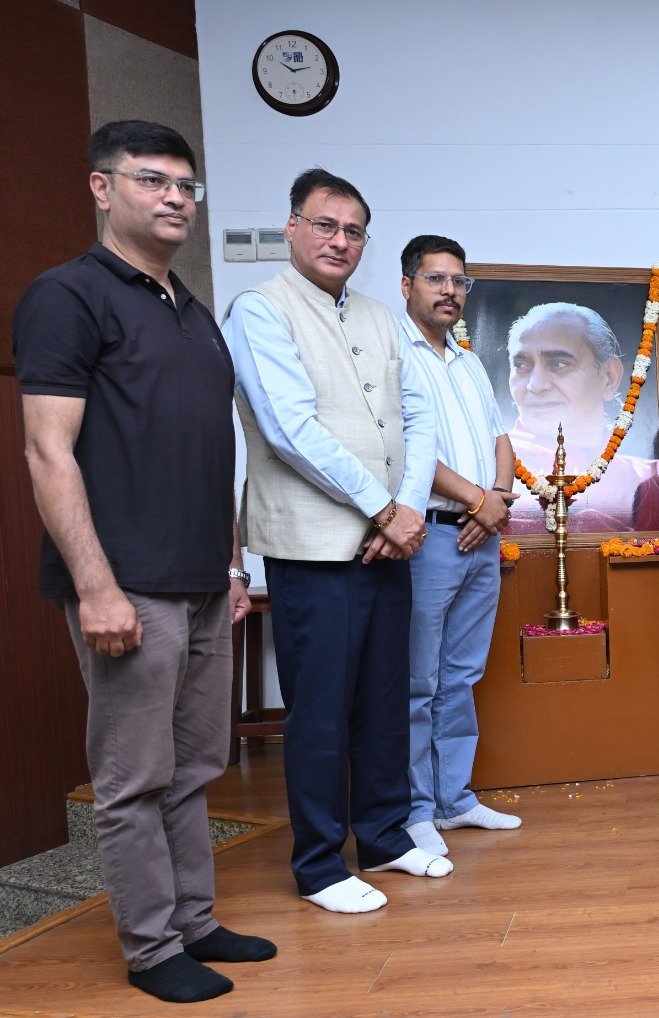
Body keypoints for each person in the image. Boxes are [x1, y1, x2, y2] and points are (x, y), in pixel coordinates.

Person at [14, 120, 275, 1003]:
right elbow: (47, 451)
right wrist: (95, 587)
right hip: (125, 583)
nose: (174, 198)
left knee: (196, 769)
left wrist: (231, 570)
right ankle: (152, 947)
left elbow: (211, 452)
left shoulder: (191, 311)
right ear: (102, 187)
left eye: (185, 186)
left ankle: (194, 921)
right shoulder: (66, 296)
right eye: (152, 180)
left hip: (202, 580)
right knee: (134, 780)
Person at [224, 168, 450, 915]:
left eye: (354, 231)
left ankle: (384, 836)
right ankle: (319, 864)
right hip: (313, 548)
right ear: (293, 228)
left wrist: (407, 509)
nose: (339, 241)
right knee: (321, 710)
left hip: (391, 540)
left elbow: (418, 418)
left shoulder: (382, 317)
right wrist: (384, 510)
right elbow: (290, 429)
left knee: (384, 699)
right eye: (325, 225)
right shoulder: (260, 310)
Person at [395, 235, 522, 859]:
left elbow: (501, 440)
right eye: (436, 279)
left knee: (462, 675)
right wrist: (477, 501)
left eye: (459, 281)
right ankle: (415, 810)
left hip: (479, 537)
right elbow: (406, 451)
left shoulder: (468, 362)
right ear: (407, 285)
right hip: (428, 537)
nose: (449, 291)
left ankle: (454, 799)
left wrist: (492, 502)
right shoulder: (394, 355)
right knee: (418, 680)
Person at [505, 302, 659, 533]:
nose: (535, 385)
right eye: (520, 365)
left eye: (558, 364)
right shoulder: (483, 466)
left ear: (609, 377)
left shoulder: (649, 481)